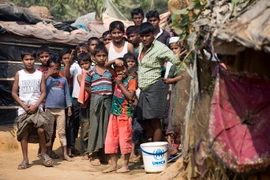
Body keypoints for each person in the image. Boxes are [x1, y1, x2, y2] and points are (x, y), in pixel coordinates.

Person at [135, 22, 180, 142]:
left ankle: (157, 152)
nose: (144, 39)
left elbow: (176, 60)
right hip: (144, 89)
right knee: (140, 118)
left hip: (155, 86)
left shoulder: (160, 48)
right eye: (142, 36)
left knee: (155, 121)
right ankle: (166, 146)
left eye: (147, 36)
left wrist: (183, 57)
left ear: (153, 35)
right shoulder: (140, 47)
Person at [12, 50, 54, 169]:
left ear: (34, 60)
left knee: (41, 130)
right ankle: (25, 159)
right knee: (23, 132)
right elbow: (14, 93)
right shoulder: (19, 74)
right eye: (26, 59)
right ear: (22, 60)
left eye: (31, 59)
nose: (29, 62)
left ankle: (43, 153)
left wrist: (36, 105)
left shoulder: (39, 74)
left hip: (37, 108)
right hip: (23, 109)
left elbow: (43, 92)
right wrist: (24, 106)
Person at [103, 58, 137, 173]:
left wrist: (120, 84)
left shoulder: (131, 80)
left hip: (124, 114)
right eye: (117, 70)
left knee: (124, 140)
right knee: (111, 139)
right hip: (114, 114)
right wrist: (114, 60)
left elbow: (130, 96)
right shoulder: (116, 76)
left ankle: (125, 166)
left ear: (127, 68)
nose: (120, 72)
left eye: (122, 69)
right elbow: (106, 66)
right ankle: (113, 164)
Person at [84, 45, 114, 166]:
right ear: (93, 57)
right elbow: (86, 85)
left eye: (103, 55)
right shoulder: (91, 71)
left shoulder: (110, 71)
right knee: (95, 126)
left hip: (108, 100)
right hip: (96, 100)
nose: (101, 58)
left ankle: (104, 153)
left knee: (106, 127)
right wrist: (95, 94)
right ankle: (94, 154)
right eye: (99, 56)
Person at [45, 57, 73, 162]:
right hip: (49, 109)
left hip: (61, 110)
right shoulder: (46, 79)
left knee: (62, 132)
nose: (55, 70)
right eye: (52, 68)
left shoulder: (63, 79)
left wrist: (69, 106)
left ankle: (65, 154)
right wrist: (48, 74)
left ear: (60, 67)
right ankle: (48, 152)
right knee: (49, 132)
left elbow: (66, 94)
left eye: (56, 68)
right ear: (48, 68)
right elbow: (40, 87)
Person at [163, 37, 186, 147]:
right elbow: (167, 80)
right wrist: (180, 77)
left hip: (188, 95)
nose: (174, 51)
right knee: (176, 117)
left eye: (176, 49)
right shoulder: (175, 65)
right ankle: (175, 145)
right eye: (172, 49)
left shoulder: (189, 63)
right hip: (177, 95)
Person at [65, 44, 86, 157]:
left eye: (84, 50)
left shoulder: (91, 65)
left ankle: (85, 149)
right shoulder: (75, 65)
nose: (81, 52)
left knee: (85, 123)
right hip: (76, 98)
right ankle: (70, 147)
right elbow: (67, 75)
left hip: (88, 99)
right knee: (73, 123)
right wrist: (69, 61)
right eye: (79, 51)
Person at [76, 52, 92, 160]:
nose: (84, 66)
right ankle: (85, 151)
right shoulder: (80, 76)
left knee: (94, 128)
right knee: (85, 129)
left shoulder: (94, 73)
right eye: (82, 64)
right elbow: (86, 87)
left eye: (86, 63)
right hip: (84, 105)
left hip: (94, 104)